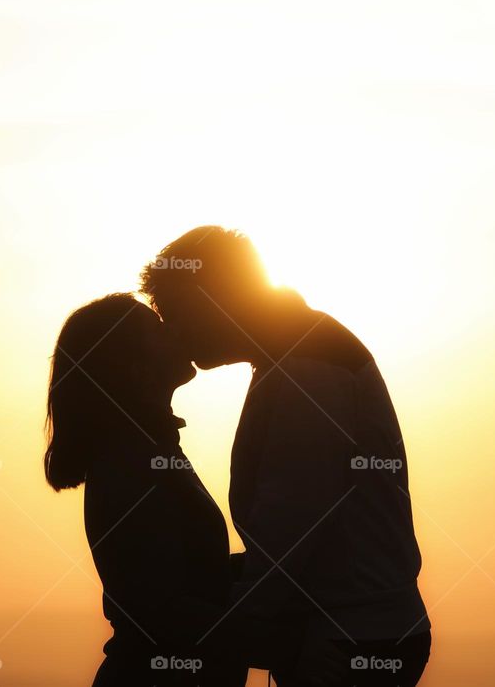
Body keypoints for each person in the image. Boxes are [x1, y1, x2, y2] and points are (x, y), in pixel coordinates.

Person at [140, 227, 432, 687]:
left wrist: (232, 629)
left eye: (175, 313)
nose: (174, 332)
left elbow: (292, 520)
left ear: (211, 298)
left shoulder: (308, 367)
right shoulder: (296, 354)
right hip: (348, 628)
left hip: (346, 639)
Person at [44, 293, 322, 686]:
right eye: (157, 330)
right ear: (136, 368)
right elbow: (160, 608)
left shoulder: (148, 447)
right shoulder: (131, 459)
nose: (175, 331)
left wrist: (277, 568)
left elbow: (188, 576)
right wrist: (278, 643)